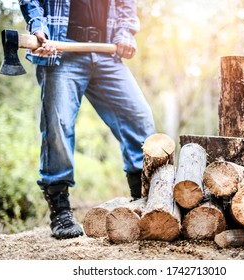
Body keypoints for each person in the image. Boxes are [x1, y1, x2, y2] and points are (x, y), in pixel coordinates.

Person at [19, 0, 156, 239]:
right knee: (58, 125)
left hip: (106, 50)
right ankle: (60, 212)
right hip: (61, 47)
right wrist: (39, 27)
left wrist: (125, 34)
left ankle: (142, 199)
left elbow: (126, 4)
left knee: (139, 118)